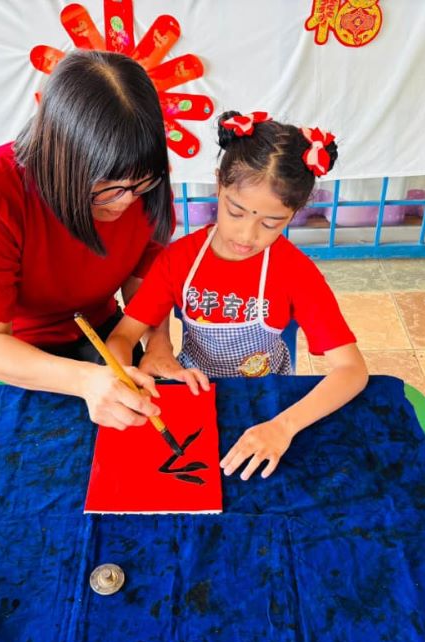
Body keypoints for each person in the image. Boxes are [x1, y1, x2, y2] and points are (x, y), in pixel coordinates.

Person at [106, 110, 369, 480]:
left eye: (270, 223)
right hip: (193, 394)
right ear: (218, 185)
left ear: (293, 214)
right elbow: (121, 337)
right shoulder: (179, 259)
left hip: (268, 407)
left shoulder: (295, 271)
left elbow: (352, 371)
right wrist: (127, 375)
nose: (247, 235)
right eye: (236, 211)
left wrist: (284, 426)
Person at [0, 50, 187, 430]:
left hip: (97, 331)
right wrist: (85, 379)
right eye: (109, 187)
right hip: (6, 350)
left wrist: (159, 344)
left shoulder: (144, 186)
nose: (126, 202)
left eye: (140, 184)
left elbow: (144, 284)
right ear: (62, 158)